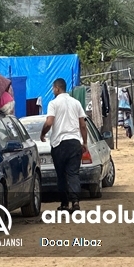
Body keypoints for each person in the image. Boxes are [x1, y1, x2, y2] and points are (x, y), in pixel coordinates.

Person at [39, 78, 89, 212]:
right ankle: (76, 203)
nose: (52, 90)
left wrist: (42, 134)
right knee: (73, 174)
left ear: (57, 88)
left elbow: (49, 123)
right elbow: (83, 125)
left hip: (59, 144)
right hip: (74, 143)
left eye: (53, 88)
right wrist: (84, 142)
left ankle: (64, 204)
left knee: (61, 175)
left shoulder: (53, 104)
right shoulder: (76, 103)